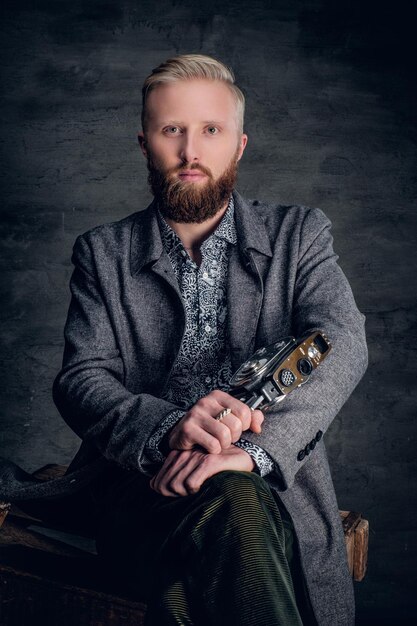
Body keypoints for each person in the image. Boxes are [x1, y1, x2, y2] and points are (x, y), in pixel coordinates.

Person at [22, 54, 368, 625]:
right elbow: (82, 377)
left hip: (267, 492)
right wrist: (166, 428)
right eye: (171, 130)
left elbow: (343, 341)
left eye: (211, 130)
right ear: (143, 144)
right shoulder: (101, 253)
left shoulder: (300, 235)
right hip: (142, 489)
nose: (190, 152)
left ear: (240, 145)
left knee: (235, 502)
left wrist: (247, 455)